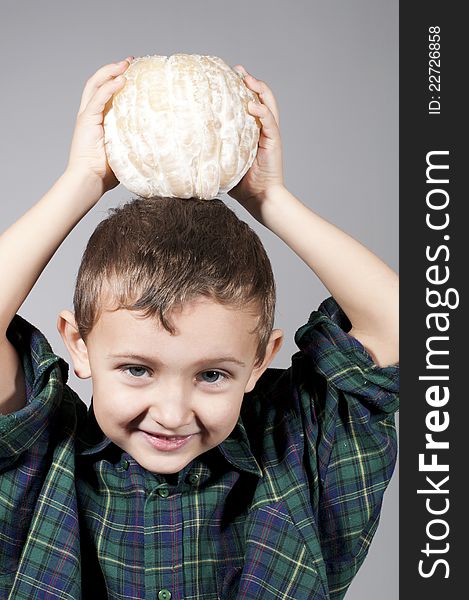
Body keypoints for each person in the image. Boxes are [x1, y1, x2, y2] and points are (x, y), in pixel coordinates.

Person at [0, 58, 399, 599]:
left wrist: (272, 200)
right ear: (79, 344)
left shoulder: (298, 450)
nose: (170, 413)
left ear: (261, 359)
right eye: (138, 369)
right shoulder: (40, 453)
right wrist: (81, 182)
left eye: (211, 375)